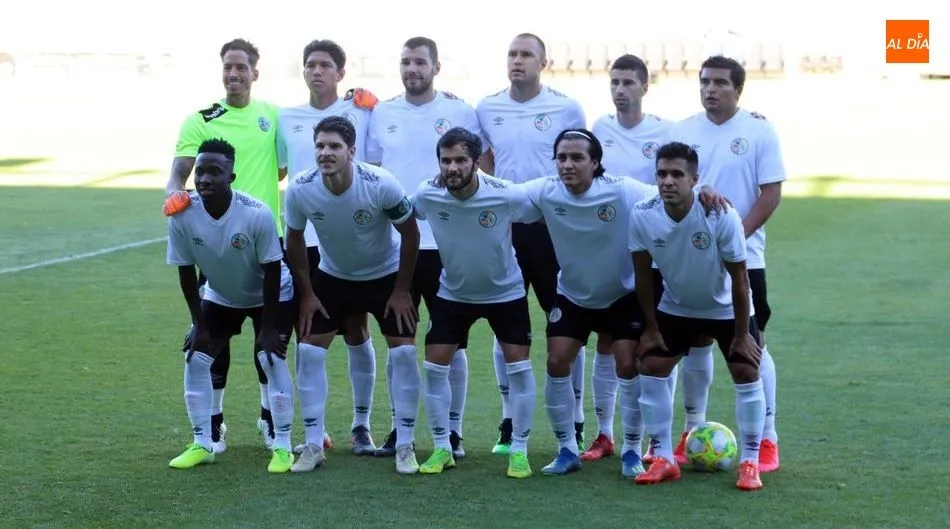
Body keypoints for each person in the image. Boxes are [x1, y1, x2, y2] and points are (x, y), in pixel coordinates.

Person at [517, 129, 729, 477]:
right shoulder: (545, 191)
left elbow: (667, 193)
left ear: (595, 162)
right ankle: (566, 448)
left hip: (622, 296)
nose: (567, 165)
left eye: (577, 158)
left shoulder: (621, 190)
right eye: (561, 157)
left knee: (628, 365)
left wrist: (703, 189)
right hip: (573, 294)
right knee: (556, 361)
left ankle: (631, 449)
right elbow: (501, 195)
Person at [162, 38, 284, 455]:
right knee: (212, 334)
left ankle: (270, 418)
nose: (234, 74)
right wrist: (174, 197)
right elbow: (178, 175)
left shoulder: (272, 116)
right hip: (211, 237)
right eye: (227, 67)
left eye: (241, 67)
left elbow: (283, 165)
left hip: (263, 237)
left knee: (268, 339)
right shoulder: (200, 120)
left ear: (255, 71)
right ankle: (212, 425)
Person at [284, 116, 422, 474]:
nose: (325, 153)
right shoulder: (301, 188)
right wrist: (308, 293)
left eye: (334, 147)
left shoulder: (380, 185)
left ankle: (405, 444)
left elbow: (410, 232)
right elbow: (295, 239)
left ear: (352, 152)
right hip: (334, 276)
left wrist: (403, 290)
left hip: (384, 275)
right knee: (309, 352)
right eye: (320, 146)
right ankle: (313, 444)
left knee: (405, 353)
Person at [365, 36, 482, 459]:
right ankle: (401, 429)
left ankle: (452, 432)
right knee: (399, 343)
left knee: (452, 342)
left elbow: (479, 170)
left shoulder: (459, 110)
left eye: (419, 62)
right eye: (405, 62)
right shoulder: (383, 112)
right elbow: (373, 171)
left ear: (436, 66)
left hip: (447, 245)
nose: (411, 69)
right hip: (396, 248)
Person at [667, 55, 785, 473]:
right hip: (688, 259)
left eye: (719, 83)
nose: (710, 89)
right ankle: (691, 429)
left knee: (752, 345)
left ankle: (767, 440)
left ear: (739, 89)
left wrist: (733, 240)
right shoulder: (681, 131)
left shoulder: (758, 131)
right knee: (696, 340)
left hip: (744, 258)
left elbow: (770, 194)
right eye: (704, 82)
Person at [628, 141, 765, 491]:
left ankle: (750, 462)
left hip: (725, 308)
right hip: (677, 306)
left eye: (677, 174)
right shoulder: (643, 214)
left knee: (746, 369)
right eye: (661, 173)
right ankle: (663, 457)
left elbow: (740, 278)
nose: (668, 181)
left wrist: (741, 334)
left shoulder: (720, 214)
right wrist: (650, 328)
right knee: (652, 365)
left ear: (695, 180)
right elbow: (643, 276)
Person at [476, 33, 588, 455]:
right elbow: (483, 157)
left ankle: (575, 421)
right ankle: (509, 420)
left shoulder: (566, 107)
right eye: (512, 54)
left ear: (544, 61)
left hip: (551, 230)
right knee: (504, 321)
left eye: (526, 55)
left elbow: (579, 161)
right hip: (504, 232)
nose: (517, 61)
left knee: (565, 323)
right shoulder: (487, 107)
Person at [411, 127, 537, 478]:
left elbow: (542, 208)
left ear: (477, 162)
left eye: (460, 160)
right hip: (454, 293)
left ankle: (520, 450)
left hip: (505, 293)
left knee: (520, 370)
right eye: (446, 160)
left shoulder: (505, 194)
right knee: (434, 367)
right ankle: (441, 447)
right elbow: (408, 212)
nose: (452, 167)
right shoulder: (428, 194)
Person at [165, 138, 296, 474]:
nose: (205, 179)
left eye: (215, 172)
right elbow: (185, 271)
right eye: (200, 171)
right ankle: (202, 443)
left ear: (231, 176)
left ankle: (281, 446)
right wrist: (199, 324)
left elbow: (272, 269)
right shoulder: (181, 215)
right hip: (222, 294)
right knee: (196, 356)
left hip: (271, 292)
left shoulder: (256, 213)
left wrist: (267, 328)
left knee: (271, 357)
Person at [276, 38, 381, 456]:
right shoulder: (287, 117)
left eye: (325, 65)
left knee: (356, 329)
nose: (316, 71)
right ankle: (314, 429)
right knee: (310, 331)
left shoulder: (363, 109)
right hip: (305, 237)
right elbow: (281, 167)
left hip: (353, 237)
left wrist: (369, 99)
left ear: (341, 73)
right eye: (310, 65)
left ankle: (361, 425)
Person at [583, 53, 681, 463]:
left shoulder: (665, 131)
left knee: (652, 345)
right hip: (608, 251)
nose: (620, 89)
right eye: (614, 82)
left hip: (654, 255)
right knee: (606, 340)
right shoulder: (599, 130)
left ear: (645, 86)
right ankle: (604, 434)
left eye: (627, 82)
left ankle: (653, 440)